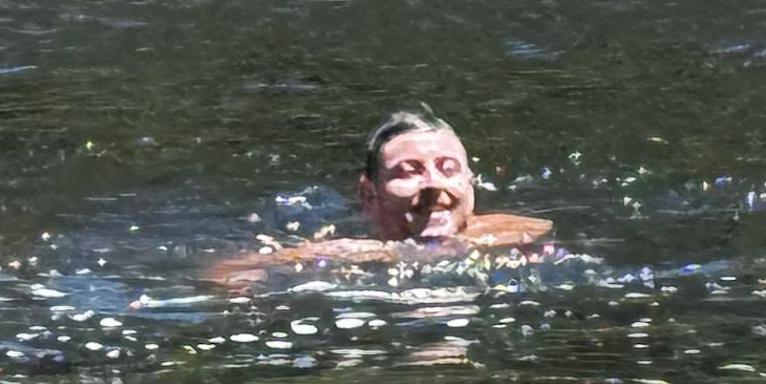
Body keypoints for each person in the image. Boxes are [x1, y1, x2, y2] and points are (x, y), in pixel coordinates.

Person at [210, 109, 553, 285]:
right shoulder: (338, 252)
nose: (434, 185)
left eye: (448, 169)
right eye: (409, 172)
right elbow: (224, 271)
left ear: (470, 184)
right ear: (369, 195)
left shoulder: (514, 233)